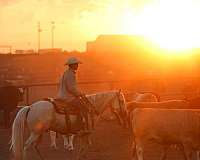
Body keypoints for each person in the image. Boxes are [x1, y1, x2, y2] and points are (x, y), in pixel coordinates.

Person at [57, 57, 88, 132]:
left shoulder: (65, 73)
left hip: (61, 95)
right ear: (72, 65)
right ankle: (80, 126)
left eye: (77, 64)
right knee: (83, 106)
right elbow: (71, 88)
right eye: (76, 64)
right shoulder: (71, 74)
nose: (77, 65)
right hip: (67, 97)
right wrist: (81, 94)